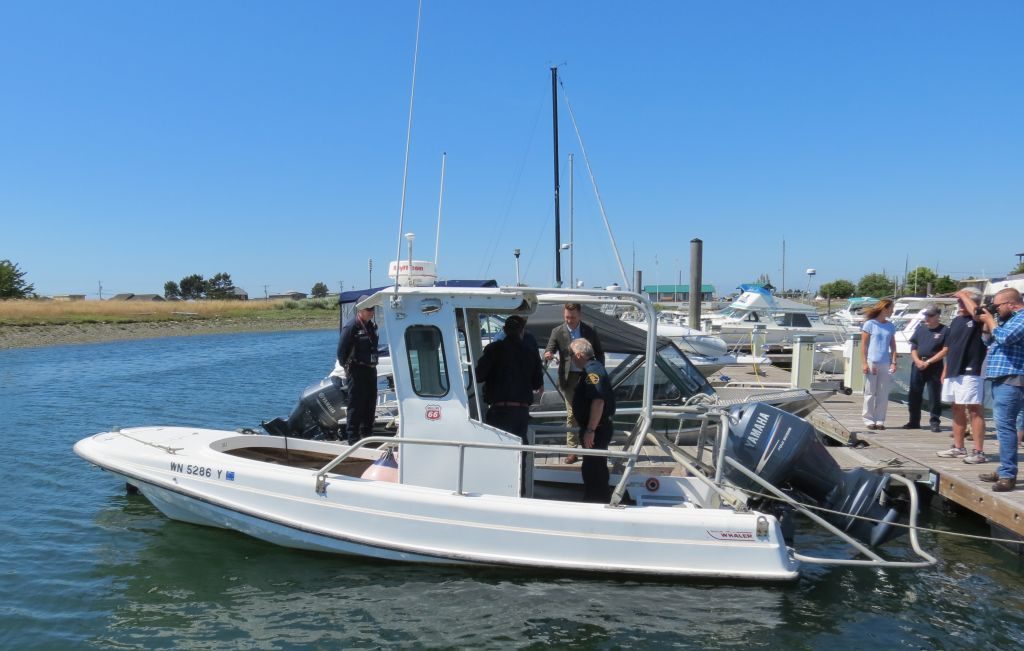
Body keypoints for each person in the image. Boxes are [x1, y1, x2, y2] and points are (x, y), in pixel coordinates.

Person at [963, 288, 1024, 491]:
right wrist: (986, 325)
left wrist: (991, 320)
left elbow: (1006, 338)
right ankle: (1005, 468)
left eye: (998, 306)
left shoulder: (1021, 318)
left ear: (1011, 304)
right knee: (1005, 427)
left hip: (1013, 378)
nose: (995, 310)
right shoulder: (1007, 320)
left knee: (1005, 427)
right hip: (1002, 378)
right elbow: (989, 341)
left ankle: (1008, 475)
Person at [544, 303, 605, 463]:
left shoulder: (590, 329)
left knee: (590, 410)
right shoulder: (557, 331)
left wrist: (599, 371)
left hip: (588, 375)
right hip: (569, 377)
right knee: (572, 414)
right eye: (567, 317)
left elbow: (599, 352)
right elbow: (549, 348)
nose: (569, 320)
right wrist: (549, 353)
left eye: (573, 317)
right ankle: (572, 450)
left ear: (580, 316)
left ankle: (589, 446)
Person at [935, 288, 988, 464]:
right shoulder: (957, 321)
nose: (959, 304)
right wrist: (945, 370)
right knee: (956, 407)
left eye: (962, 301)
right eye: (958, 301)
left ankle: (979, 451)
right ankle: (958, 447)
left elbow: (978, 313)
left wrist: (964, 295)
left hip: (971, 370)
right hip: (953, 370)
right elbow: (951, 347)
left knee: (974, 409)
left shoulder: (979, 318)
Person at [475, 315, 543, 441]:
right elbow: (537, 383)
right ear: (522, 330)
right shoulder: (530, 353)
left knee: (500, 449)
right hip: (521, 411)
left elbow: (478, 376)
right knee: (520, 450)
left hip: (498, 411)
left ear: (504, 330)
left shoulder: (492, 350)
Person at [568, 338, 616, 502]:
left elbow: (598, 401)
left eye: (571, 354)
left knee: (594, 468)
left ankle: (597, 500)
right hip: (596, 428)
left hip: (597, 429)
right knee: (592, 466)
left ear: (580, 354)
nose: (571, 358)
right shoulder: (591, 368)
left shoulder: (592, 371)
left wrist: (590, 430)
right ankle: (594, 497)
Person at [337, 296, 380, 445]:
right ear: (360, 309)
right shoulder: (351, 327)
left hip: (371, 370)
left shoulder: (371, 327)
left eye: (373, 308)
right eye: (368, 309)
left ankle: (368, 436)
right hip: (357, 371)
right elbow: (341, 353)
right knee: (356, 405)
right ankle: (353, 439)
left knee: (370, 404)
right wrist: (349, 368)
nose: (371, 311)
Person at [902, 306, 948, 432]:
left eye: (930, 316)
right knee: (914, 394)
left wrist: (928, 362)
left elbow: (945, 350)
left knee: (934, 394)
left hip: (934, 365)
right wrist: (917, 360)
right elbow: (913, 347)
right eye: (926, 315)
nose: (927, 318)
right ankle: (914, 421)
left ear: (938, 316)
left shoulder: (944, 330)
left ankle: (934, 421)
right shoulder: (920, 329)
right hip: (918, 364)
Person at [860, 298, 897, 430]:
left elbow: (893, 345)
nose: (893, 310)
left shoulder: (890, 326)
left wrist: (894, 362)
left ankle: (880, 419)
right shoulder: (870, 324)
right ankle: (868, 419)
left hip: (885, 362)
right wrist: (864, 363)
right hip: (872, 361)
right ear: (885, 308)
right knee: (870, 392)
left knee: (883, 392)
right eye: (891, 308)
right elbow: (864, 346)